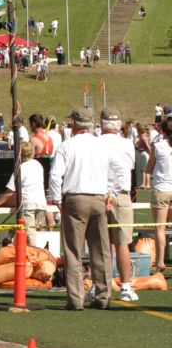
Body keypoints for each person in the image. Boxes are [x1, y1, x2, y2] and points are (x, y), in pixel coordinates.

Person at [49, 108, 114, 310]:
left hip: (76, 198)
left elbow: (55, 175)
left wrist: (57, 199)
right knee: (101, 250)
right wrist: (110, 193)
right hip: (99, 198)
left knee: (73, 251)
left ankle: (76, 299)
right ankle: (103, 296)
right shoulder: (102, 146)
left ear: (75, 124)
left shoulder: (67, 146)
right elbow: (112, 172)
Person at [100, 108, 138, 301]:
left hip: (98, 194)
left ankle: (100, 285)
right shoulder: (127, 143)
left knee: (101, 243)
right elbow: (129, 168)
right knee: (123, 242)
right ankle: (125, 285)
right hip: (120, 194)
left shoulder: (96, 142)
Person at [0, 143, 47, 246]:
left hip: (29, 205)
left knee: (30, 236)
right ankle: (10, 241)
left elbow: (9, 191)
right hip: (41, 205)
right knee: (26, 229)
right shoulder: (38, 165)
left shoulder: (21, 168)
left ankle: (32, 257)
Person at [145, 117, 172, 273]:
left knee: (160, 228)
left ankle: (160, 262)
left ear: (162, 131)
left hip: (162, 189)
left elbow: (149, 167)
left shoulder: (158, 146)